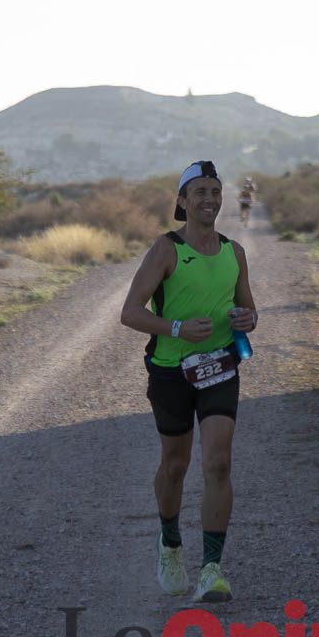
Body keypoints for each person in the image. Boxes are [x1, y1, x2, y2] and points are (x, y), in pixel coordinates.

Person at [120, 160, 258, 603]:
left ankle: (212, 569)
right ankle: (170, 542)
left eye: (215, 191)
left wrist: (247, 318)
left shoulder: (234, 252)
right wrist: (177, 329)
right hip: (171, 370)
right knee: (175, 465)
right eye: (199, 192)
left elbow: (249, 312)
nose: (210, 199)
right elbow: (131, 312)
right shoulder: (166, 249)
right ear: (182, 201)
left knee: (218, 461)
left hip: (219, 367)